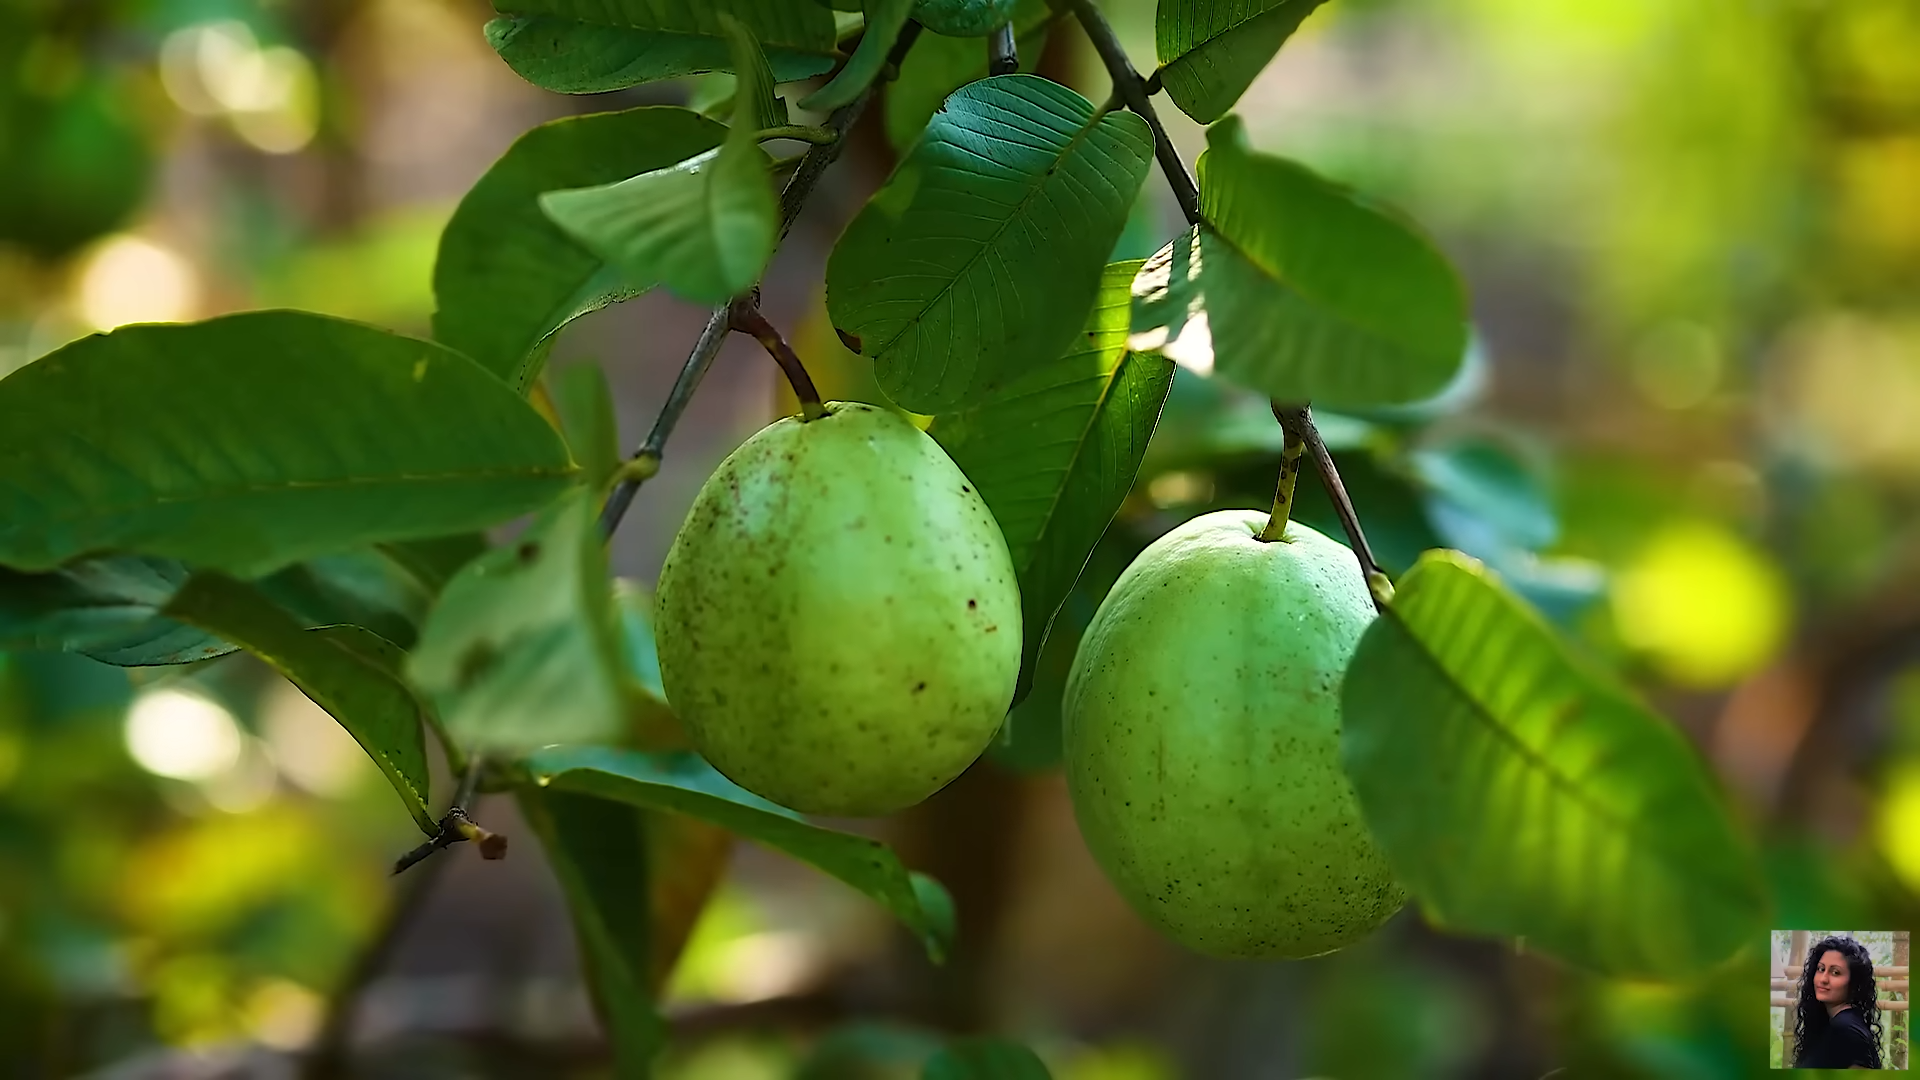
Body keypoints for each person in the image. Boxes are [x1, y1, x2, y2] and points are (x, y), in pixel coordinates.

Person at [1792, 934, 1884, 1069]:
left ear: (1854, 983)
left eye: (1835, 972)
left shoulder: (1846, 1028)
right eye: (1821, 969)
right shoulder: (1834, 1022)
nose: (1823, 979)